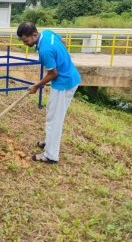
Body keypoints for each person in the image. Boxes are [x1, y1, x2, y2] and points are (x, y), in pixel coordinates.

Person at [17, 21, 81, 164]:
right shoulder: (46, 33)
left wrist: (36, 86)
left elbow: (53, 74)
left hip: (63, 84)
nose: (25, 44)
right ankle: (49, 142)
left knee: (54, 119)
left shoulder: (45, 51)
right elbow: (62, 41)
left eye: (26, 41)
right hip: (69, 77)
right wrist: (64, 59)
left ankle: (51, 155)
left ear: (34, 35)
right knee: (51, 112)